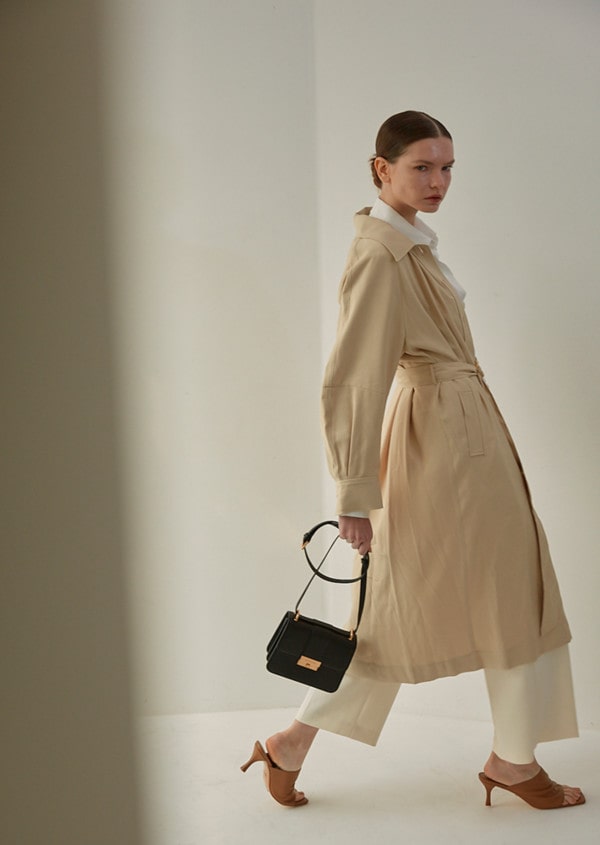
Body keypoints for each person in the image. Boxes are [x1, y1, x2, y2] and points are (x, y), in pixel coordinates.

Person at [241, 111, 585, 810]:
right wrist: (353, 494)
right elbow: (352, 379)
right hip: (441, 442)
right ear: (382, 168)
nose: (438, 181)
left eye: (447, 167)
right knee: (467, 595)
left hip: (460, 431)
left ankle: (298, 743)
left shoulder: (413, 244)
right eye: (422, 167)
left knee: (475, 594)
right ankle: (512, 759)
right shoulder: (381, 254)